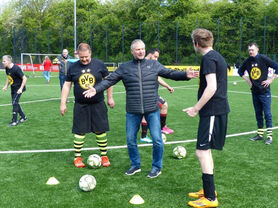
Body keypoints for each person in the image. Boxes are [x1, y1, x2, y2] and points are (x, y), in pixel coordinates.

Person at [83, 39, 198, 178]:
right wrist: (96, 89)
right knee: (131, 140)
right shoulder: (125, 67)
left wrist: (185, 75)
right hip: (133, 111)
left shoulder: (154, 64)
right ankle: (135, 165)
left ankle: (156, 167)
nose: (141, 51)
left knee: (157, 140)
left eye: (143, 48)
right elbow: (109, 80)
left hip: (152, 109)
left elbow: (170, 73)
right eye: (137, 49)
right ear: (132, 51)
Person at [183, 28, 230, 207]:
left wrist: (195, 108)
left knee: (201, 151)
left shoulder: (208, 59)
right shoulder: (217, 56)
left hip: (212, 111)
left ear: (196, 43)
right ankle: (208, 190)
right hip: (213, 111)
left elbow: (211, 87)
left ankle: (210, 198)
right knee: (205, 150)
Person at [60, 43, 115, 168]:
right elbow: (67, 85)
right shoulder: (73, 67)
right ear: (77, 54)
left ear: (90, 53)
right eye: (81, 57)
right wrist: (63, 103)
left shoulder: (99, 64)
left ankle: (104, 155)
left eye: (86, 57)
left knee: (100, 130)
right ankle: (77, 157)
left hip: (98, 103)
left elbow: (109, 81)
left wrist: (110, 98)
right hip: (81, 104)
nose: (84, 59)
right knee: (80, 131)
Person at [238, 42, 278, 145]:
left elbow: (277, 66)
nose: (251, 52)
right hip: (254, 92)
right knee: (258, 114)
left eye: (252, 50)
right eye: (249, 50)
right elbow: (240, 71)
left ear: (257, 49)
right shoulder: (248, 61)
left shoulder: (263, 59)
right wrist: (248, 81)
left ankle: (269, 136)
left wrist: (270, 79)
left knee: (267, 114)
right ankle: (260, 135)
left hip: (265, 92)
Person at [140, 48, 175, 144]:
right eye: (155, 56)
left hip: (148, 93)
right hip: (148, 93)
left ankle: (144, 136)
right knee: (164, 105)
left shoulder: (149, 63)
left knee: (145, 113)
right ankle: (162, 128)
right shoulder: (145, 64)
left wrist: (167, 86)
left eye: (157, 57)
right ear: (150, 54)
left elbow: (157, 77)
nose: (156, 59)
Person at [2, 55, 28, 126]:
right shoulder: (7, 68)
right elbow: (9, 77)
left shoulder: (16, 68)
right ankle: (23, 117)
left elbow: (25, 78)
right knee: (15, 102)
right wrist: (6, 86)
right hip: (13, 88)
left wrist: (20, 89)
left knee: (14, 102)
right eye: (2, 61)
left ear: (9, 61)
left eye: (4, 61)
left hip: (18, 88)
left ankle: (14, 121)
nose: (2, 62)